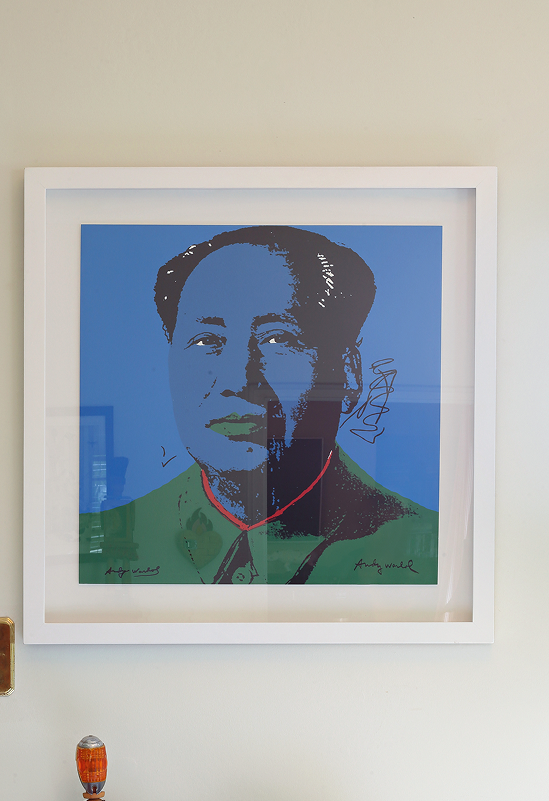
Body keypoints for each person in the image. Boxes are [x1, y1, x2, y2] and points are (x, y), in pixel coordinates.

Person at [79, 226, 437, 585]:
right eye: (206, 340)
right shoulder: (96, 547)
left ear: (348, 373)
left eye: (278, 338)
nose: (236, 380)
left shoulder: (425, 552)